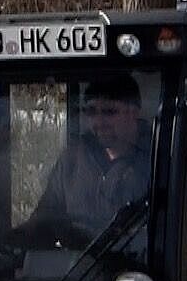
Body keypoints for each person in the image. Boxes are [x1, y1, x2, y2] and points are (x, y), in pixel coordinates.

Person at [29, 75, 151, 236]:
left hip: (138, 259)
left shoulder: (162, 163)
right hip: (77, 260)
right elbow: (44, 219)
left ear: (133, 112)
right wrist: (15, 239)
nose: (99, 121)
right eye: (91, 112)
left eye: (109, 112)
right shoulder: (71, 160)